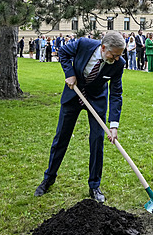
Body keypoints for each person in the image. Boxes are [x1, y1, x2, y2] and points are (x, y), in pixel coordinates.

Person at [34, 32, 126, 203]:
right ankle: (49, 178)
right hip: (73, 94)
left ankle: (94, 185)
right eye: (114, 55)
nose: (117, 59)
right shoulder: (84, 44)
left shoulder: (118, 64)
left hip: (96, 100)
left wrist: (113, 125)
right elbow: (62, 52)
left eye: (119, 55)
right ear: (104, 48)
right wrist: (69, 73)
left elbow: (116, 93)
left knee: (97, 141)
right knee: (61, 137)